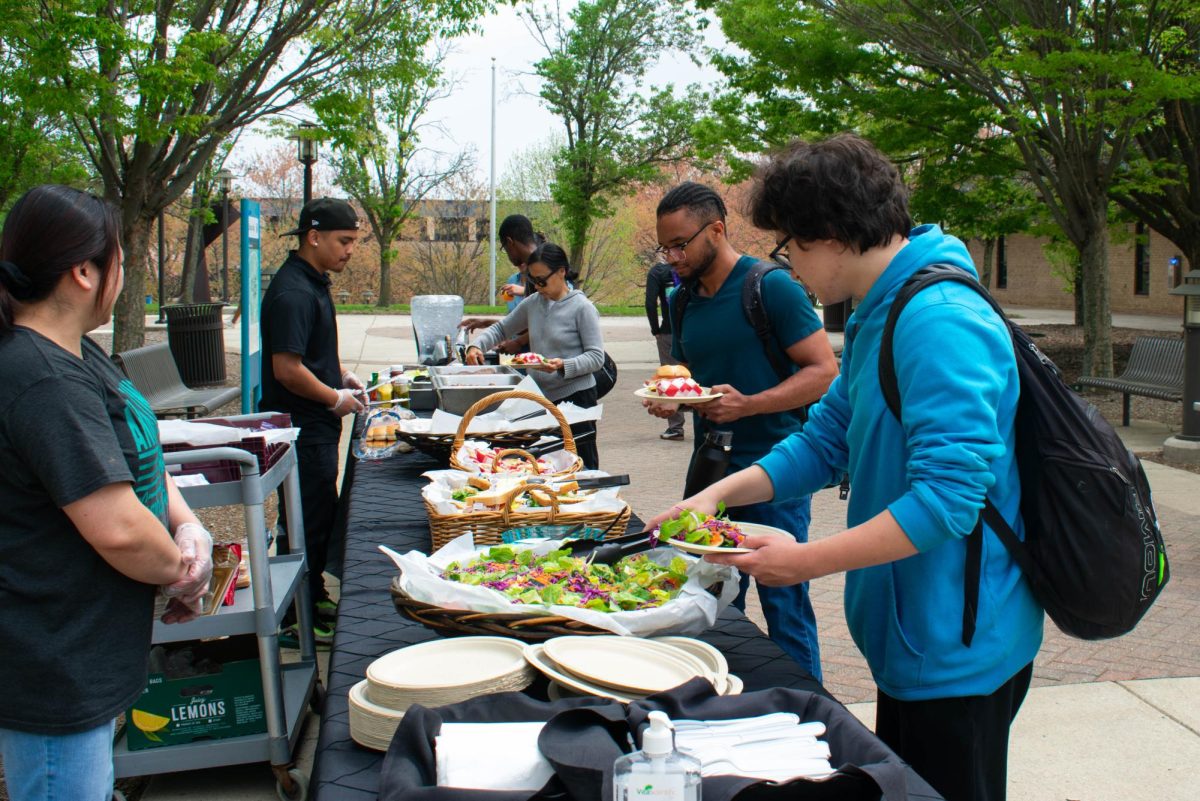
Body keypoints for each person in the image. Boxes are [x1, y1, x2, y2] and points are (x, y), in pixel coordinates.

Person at [650, 134, 1042, 801]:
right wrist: (714, 496)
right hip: (914, 635)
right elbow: (825, 440)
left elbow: (950, 499)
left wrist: (803, 559)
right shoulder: (877, 312)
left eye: (792, 245)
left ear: (830, 233)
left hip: (956, 648)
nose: (788, 264)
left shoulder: (938, 320)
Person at [0, 185, 214, 801]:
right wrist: (183, 571)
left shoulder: (77, 354)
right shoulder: (39, 378)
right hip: (55, 664)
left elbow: (139, 459)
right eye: (121, 257)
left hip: (88, 649)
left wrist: (189, 529)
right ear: (85, 270)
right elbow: (117, 527)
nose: (125, 272)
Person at [642, 181, 837, 681]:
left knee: (785, 602)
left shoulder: (769, 286)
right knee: (712, 598)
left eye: (680, 244)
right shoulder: (682, 297)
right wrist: (672, 402)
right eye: (665, 246)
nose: (671, 256)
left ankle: (810, 707)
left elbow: (823, 373)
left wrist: (749, 405)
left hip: (777, 470)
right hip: (712, 468)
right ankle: (733, 698)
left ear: (718, 230)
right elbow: (687, 372)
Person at [260, 197, 365, 646]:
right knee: (303, 522)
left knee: (319, 516)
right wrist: (333, 397)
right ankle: (295, 618)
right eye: (343, 241)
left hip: (317, 427)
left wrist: (340, 374)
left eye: (354, 242)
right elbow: (287, 368)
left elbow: (314, 351)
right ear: (313, 236)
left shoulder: (314, 282)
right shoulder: (294, 291)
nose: (349, 250)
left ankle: (315, 592)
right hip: (300, 430)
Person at [464, 243, 604, 469]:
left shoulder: (582, 307)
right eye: (533, 281)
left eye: (542, 280)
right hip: (541, 398)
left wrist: (563, 365)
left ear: (561, 271)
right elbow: (502, 329)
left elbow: (596, 357)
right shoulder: (533, 303)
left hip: (576, 400)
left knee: (581, 466)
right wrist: (476, 346)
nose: (538, 287)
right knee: (546, 465)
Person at [645, 259, 686, 440]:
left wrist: (656, 330)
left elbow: (650, 302)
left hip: (669, 331)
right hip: (691, 329)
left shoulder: (657, 272)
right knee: (697, 375)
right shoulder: (688, 266)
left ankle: (676, 428)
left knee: (670, 378)